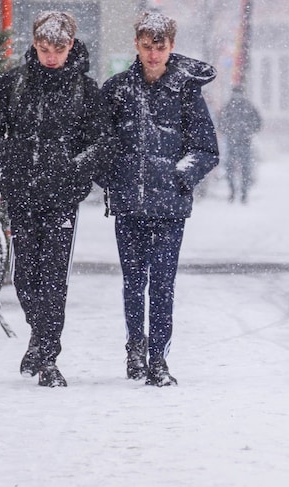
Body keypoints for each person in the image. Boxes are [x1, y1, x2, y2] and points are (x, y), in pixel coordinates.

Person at [0, 11, 108, 387]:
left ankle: (49, 354)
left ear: (71, 47)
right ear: (34, 44)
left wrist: (75, 168)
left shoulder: (86, 90)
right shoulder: (12, 85)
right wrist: (10, 156)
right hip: (22, 192)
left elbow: (101, 142)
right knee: (25, 276)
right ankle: (39, 334)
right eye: (45, 48)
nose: (52, 56)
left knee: (53, 278)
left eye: (59, 49)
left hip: (62, 196)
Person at [100, 12, 219, 387]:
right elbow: (100, 145)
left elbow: (206, 149)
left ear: (172, 47)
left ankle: (158, 359)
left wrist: (180, 176)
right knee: (134, 281)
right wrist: (112, 179)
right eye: (148, 47)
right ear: (137, 44)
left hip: (169, 206)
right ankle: (135, 348)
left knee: (163, 283)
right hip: (129, 204)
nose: (154, 55)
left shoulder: (186, 93)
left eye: (161, 47)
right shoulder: (117, 90)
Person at [217, 86, 262, 203]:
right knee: (245, 168)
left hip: (232, 141)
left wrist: (228, 131)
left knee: (230, 168)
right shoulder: (248, 106)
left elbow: (220, 122)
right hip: (244, 141)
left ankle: (233, 192)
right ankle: (243, 193)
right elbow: (258, 122)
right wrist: (249, 131)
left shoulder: (228, 106)